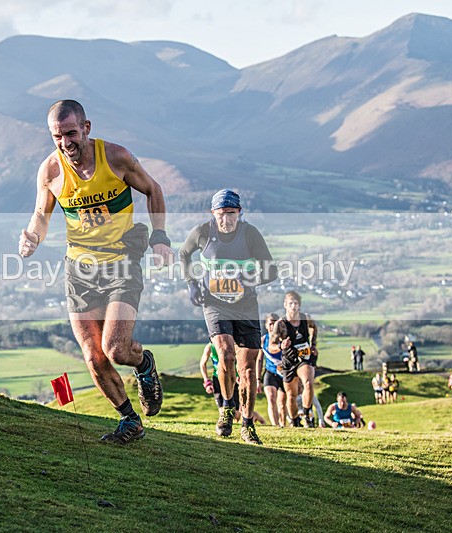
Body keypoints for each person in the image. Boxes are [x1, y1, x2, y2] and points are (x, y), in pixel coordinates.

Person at [19, 100, 173, 444]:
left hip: (122, 261)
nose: (65, 144)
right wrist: (31, 236)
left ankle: (144, 364)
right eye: (57, 137)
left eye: (71, 134)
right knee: (93, 353)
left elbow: (153, 190)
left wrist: (160, 236)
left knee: (117, 349)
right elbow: (41, 215)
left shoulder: (116, 157)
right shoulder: (51, 171)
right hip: (80, 268)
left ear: (87, 128)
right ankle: (130, 421)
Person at [179, 189, 276, 445]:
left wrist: (251, 278)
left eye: (231, 214)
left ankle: (247, 424)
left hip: (246, 307)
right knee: (225, 354)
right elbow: (183, 254)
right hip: (214, 304)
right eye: (221, 214)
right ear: (213, 214)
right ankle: (226, 410)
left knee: (247, 368)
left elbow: (271, 270)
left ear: (239, 213)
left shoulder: (250, 234)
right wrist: (192, 284)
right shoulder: (202, 233)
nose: (226, 220)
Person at [269, 291, 319, 428]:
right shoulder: (280, 324)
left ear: (299, 305)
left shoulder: (306, 318)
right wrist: (281, 345)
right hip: (289, 360)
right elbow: (270, 346)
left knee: (308, 383)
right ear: (285, 305)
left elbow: (314, 328)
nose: (293, 306)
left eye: (296, 303)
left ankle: (307, 414)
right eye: (290, 303)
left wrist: (313, 344)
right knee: (291, 394)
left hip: (304, 357)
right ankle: (295, 420)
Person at [257, 313, 287, 427]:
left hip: (283, 373)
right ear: (266, 325)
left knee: (282, 404)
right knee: (271, 397)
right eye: (270, 324)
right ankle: (275, 425)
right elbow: (259, 359)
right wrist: (258, 379)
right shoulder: (263, 340)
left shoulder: (283, 339)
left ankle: (282, 425)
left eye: (274, 324)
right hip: (270, 372)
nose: (272, 326)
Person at [200, 341, 240, 422]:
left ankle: (236, 425)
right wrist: (207, 381)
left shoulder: (234, 345)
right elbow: (202, 364)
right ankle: (225, 424)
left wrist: (240, 376)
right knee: (222, 409)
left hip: (234, 379)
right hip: (217, 379)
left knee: (236, 412)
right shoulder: (210, 347)